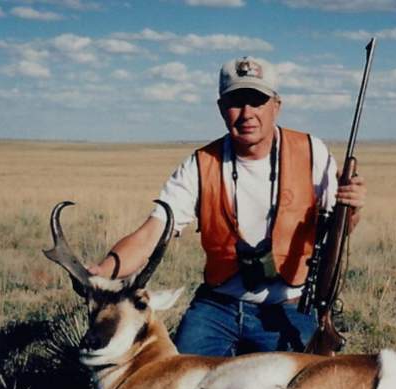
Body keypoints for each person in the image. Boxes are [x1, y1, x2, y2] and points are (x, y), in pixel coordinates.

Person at [87, 56, 366, 356]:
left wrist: (354, 207)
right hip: (218, 307)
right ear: (221, 108)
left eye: (257, 101)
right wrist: (103, 272)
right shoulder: (200, 165)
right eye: (236, 101)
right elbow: (149, 235)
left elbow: (341, 229)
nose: (247, 114)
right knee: (178, 382)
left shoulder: (312, 153)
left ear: (277, 105)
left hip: (289, 307)